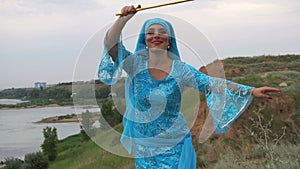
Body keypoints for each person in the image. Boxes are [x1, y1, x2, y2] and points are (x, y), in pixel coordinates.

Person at [98, 5, 281, 169]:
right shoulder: (135, 65)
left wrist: (250, 90)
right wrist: (122, 20)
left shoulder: (181, 71)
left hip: (175, 145)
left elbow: (212, 84)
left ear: (169, 40)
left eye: (162, 31)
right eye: (150, 32)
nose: (156, 35)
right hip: (145, 147)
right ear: (144, 39)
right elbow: (111, 45)